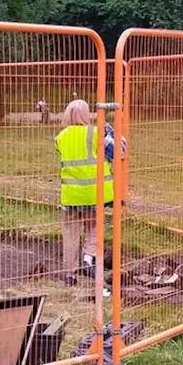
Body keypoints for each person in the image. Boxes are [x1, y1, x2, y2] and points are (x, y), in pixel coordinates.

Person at [56, 99, 114, 276]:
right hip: (93, 193)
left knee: (70, 233)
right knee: (93, 227)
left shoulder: (60, 137)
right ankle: (88, 258)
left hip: (71, 194)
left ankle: (70, 272)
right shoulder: (96, 133)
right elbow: (114, 151)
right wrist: (111, 132)